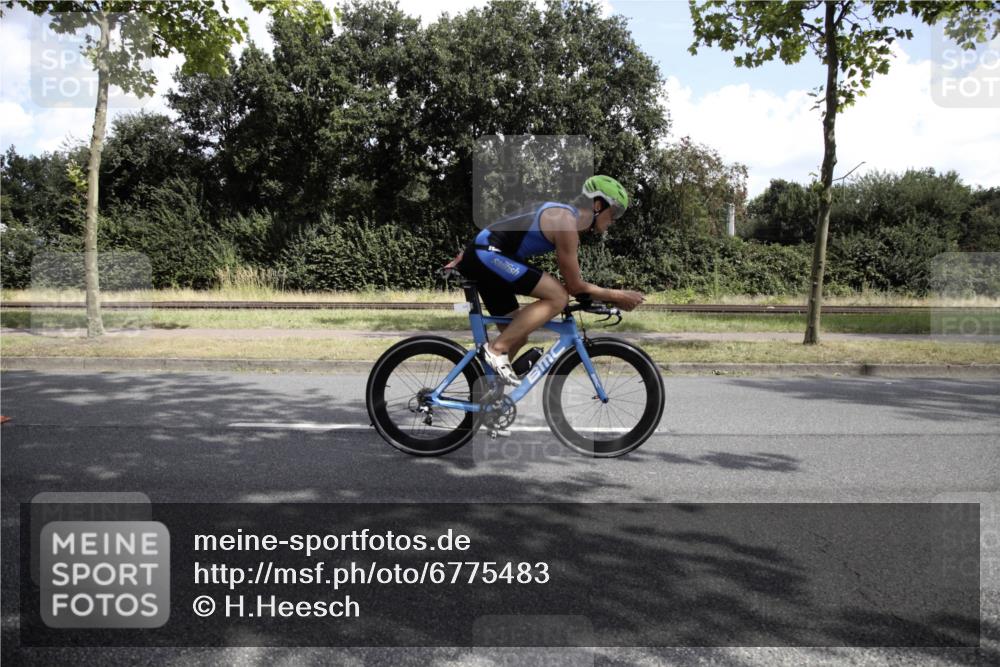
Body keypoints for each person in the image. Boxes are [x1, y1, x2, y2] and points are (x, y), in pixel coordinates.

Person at [456, 175, 644, 386]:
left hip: (486, 256)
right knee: (558, 297)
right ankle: (495, 350)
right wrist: (618, 295)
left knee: (517, 336)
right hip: (488, 255)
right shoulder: (566, 222)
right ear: (598, 205)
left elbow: (574, 285)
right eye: (615, 212)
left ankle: (486, 395)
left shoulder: (564, 217)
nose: (614, 220)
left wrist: (602, 297)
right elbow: (573, 286)